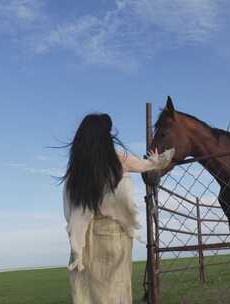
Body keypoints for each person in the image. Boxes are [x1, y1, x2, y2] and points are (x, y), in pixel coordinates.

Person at [61, 113, 174, 304]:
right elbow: (149, 164)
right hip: (114, 236)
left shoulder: (76, 172)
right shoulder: (118, 159)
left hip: (82, 242)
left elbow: (71, 211)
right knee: (116, 292)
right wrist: (168, 153)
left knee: (87, 295)